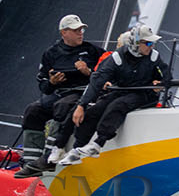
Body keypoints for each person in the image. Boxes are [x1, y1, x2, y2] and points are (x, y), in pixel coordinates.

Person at [57, 26, 167, 165]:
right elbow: (97, 81)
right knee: (95, 110)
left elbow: (167, 76)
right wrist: (82, 105)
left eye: (153, 43)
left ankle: (98, 143)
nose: (152, 46)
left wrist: (161, 83)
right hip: (123, 91)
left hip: (146, 93)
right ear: (136, 43)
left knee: (117, 105)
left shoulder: (154, 56)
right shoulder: (118, 56)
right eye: (149, 43)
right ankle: (76, 150)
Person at [14, 15, 103, 178]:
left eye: (81, 29)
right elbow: (43, 85)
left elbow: (107, 74)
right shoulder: (51, 53)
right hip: (59, 92)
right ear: (64, 32)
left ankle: (47, 159)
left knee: (61, 107)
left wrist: (88, 72)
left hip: (82, 93)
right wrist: (52, 82)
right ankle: (30, 164)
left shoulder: (92, 51)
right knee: (33, 111)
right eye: (76, 30)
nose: (80, 33)